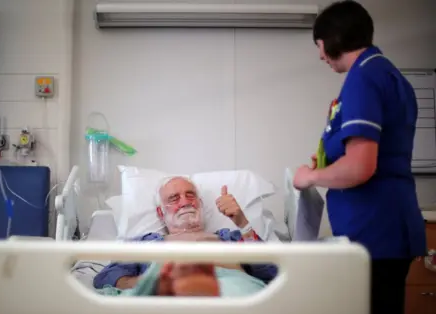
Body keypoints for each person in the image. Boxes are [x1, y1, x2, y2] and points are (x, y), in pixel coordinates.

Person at [292, 1, 427, 314]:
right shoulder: (384, 73)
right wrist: (327, 164)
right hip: (385, 227)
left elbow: (360, 166)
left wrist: (309, 177)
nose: (320, 55)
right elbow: (370, 151)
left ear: (332, 39)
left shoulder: (363, 78)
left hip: (375, 232)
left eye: (319, 45)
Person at [93, 176, 277, 296]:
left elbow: (271, 272)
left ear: (200, 204)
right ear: (160, 212)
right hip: (164, 293)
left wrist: (243, 223)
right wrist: (150, 283)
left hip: (230, 290)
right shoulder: (145, 243)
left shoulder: (230, 237)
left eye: (191, 196)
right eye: (174, 198)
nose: (185, 202)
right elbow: (106, 277)